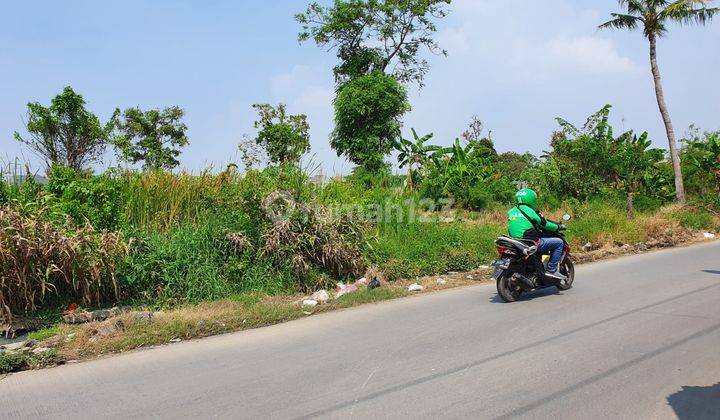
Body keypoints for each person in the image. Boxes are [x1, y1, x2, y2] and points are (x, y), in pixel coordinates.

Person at [507, 188, 567, 281]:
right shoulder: (530, 211)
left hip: (516, 241)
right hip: (530, 242)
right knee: (559, 242)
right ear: (530, 199)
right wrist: (558, 227)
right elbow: (544, 223)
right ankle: (551, 270)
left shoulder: (511, 211)